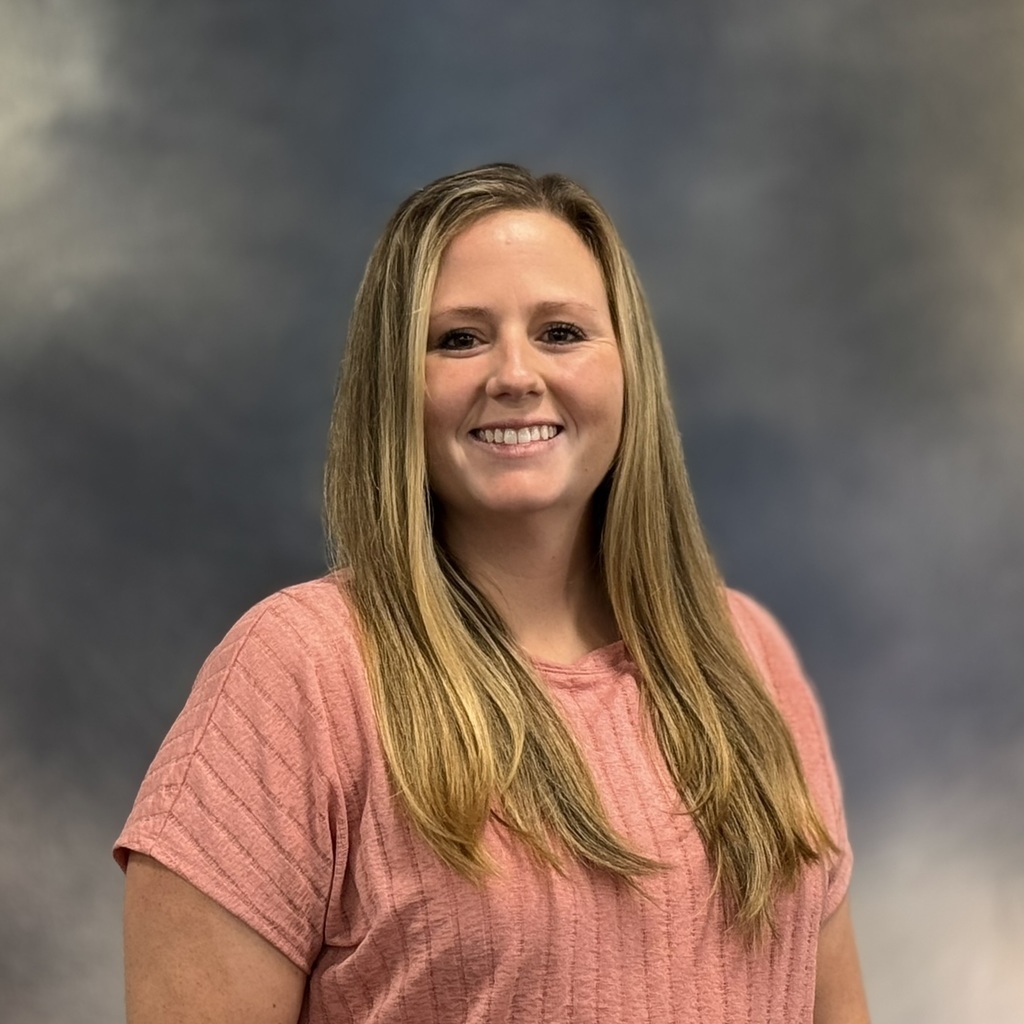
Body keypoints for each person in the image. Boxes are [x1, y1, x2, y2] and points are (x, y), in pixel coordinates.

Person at [115, 163, 870, 1023]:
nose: (515, 374)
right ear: (396, 384)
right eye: (460, 340)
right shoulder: (299, 675)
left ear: (629, 369)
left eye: (560, 332)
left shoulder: (744, 654)